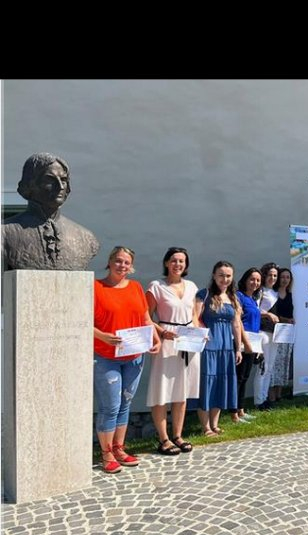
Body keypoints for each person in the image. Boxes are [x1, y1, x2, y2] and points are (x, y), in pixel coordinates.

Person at [93, 246, 160, 474]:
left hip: (134, 356)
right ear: (110, 262)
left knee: (125, 404)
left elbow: (145, 318)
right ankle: (106, 453)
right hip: (106, 356)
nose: (122, 266)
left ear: (131, 266)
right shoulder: (96, 287)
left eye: (126, 262)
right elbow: (82, 321)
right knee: (110, 406)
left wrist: (156, 339)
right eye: (118, 261)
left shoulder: (136, 287)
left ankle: (119, 448)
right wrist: (103, 336)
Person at [146, 247, 201, 455]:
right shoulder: (156, 286)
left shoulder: (191, 286)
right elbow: (146, 316)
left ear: (186, 265)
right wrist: (162, 332)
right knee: (162, 389)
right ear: (166, 263)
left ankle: (178, 435)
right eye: (174, 260)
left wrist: (198, 333)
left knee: (182, 390)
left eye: (182, 261)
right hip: (166, 342)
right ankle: (163, 438)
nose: (178, 264)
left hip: (187, 342)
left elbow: (194, 315)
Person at [2, 152, 99, 271]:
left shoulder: (85, 237)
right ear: (30, 184)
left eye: (63, 180)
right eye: (50, 180)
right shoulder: (4, 232)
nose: (60, 186)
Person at [189, 261, 249, 435]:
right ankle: (205, 427)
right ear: (214, 276)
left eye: (228, 276)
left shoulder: (233, 297)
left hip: (226, 347)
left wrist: (238, 348)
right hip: (208, 346)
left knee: (221, 383)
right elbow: (195, 317)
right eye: (221, 275)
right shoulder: (204, 294)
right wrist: (200, 333)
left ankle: (215, 424)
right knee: (207, 384)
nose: (225, 279)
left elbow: (236, 325)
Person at [235, 267, 263, 423]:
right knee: (239, 377)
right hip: (243, 342)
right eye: (252, 279)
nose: (255, 282)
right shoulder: (239, 296)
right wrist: (244, 343)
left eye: (258, 280)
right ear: (245, 280)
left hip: (253, 343)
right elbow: (237, 321)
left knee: (245, 377)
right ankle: (234, 412)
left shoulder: (253, 299)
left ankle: (241, 410)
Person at [268, 268, 294, 401]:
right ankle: (271, 393)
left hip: (287, 332)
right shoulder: (273, 294)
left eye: (288, 277)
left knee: (284, 361)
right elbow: (272, 313)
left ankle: (279, 393)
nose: (285, 280)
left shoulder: (290, 295)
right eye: (283, 277)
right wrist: (284, 319)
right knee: (273, 363)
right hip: (274, 331)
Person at [256, 263, 279, 409]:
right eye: (270, 275)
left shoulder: (276, 293)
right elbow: (255, 309)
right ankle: (258, 401)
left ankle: (265, 398)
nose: (273, 278)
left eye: (275, 275)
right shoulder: (260, 291)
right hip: (263, 331)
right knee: (262, 368)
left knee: (270, 368)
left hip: (275, 333)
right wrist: (268, 314)